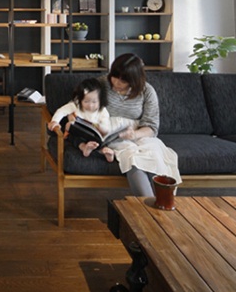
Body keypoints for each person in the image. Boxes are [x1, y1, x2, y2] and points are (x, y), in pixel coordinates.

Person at [100, 53, 181, 197]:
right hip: (114, 135)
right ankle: (148, 208)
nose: (117, 83)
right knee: (133, 159)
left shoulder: (147, 91)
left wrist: (134, 134)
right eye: (114, 76)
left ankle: (163, 204)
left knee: (154, 155)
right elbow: (79, 105)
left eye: (123, 80)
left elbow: (152, 127)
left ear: (134, 80)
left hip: (140, 134)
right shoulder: (101, 85)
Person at [47, 78, 137, 162]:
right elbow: (62, 111)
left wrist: (100, 127)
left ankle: (105, 151)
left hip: (94, 136)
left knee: (103, 141)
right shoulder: (76, 104)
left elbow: (106, 127)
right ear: (80, 99)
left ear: (100, 100)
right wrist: (55, 121)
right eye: (86, 101)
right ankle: (84, 148)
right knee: (74, 137)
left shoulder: (102, 111)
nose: (90, 105)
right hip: (78, 134)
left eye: (94, 102)